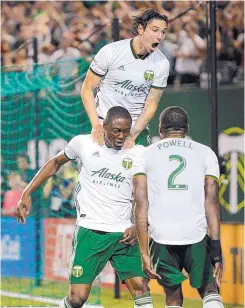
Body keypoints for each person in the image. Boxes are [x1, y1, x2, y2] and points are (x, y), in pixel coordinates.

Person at [16, 106, 154, 308]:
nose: (121, 136)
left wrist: (138, 225)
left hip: (124, 234)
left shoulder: (138, 153)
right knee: (77, 298)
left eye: (125, 131)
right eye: (116, 130)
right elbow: (55, 163)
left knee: (141, 288)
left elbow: (144, 198)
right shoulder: (83, 144)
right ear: (104, 126)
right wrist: (27, 192)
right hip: (91, 232)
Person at [133, 106, 224, 308]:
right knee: (209, 291)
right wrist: (216, 249)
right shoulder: (206, 153)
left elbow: (140, 205)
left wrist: (144, 253)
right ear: (187, 128)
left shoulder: (144, 155)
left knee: (172, 297)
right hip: (196, 235)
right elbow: (211, 203)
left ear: (160, 129)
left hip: (160, 236)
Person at [81, 8, 170, 148]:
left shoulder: (162, 63)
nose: (160, 36)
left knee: (138, 170)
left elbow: (151, 105)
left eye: (163, 32)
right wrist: (96, 125)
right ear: (141, 29)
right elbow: (86, 88)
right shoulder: (111, 52)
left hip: (135, 129)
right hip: (104, 126)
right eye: (155, 30)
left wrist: (132, 135)